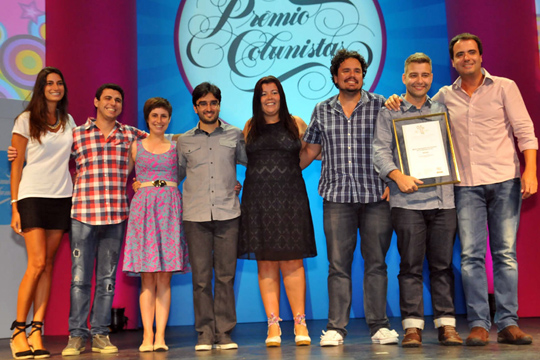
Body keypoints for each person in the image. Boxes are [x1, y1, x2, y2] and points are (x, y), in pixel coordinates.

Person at [386, 33, 537, 345]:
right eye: (459, 54)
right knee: (471, 257)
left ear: (481, 56)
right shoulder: (443, 96)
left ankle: (508, 322)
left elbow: (525, 131)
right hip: (465, 186)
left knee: (505, 254)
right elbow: (416, 113)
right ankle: (480, 323)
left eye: (471, 53)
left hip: (505, 180)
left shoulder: (505, 87)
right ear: (453, 61)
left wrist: (531, 170)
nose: (466, 58)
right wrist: (394, 99)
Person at [300, 49, 398, 346]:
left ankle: (379, 326)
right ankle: (335, 328)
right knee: (338, 265)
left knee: (376, 263)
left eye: (357, 70)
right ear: (335, 77)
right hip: (337, 198)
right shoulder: (322, 109)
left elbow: (400, 143)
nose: (352, 75)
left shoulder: (383, 105)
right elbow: (309, 152)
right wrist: (273, 173)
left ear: (363, 75)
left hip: (376, 196)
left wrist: (395, 180)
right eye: (346, 71)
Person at [373, 53, 462, 347]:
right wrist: (398, 176)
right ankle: (412, 327)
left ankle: (446, 325)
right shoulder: (390, 111)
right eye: (414, 75)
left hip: (443, 200)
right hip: (407, 202)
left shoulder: (443, 108)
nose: (419, 80)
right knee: (410, 266)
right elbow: (380, 152)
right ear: (404, 78)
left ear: (432, 78)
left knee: (442, 266)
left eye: (425, 75)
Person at [61, 84, 148, 355]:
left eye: (118, 100)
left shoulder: (130, 134)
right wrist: (16, 152)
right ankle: (76, 335)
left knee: (107, 279)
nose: (113, 103)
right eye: (108, 98)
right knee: (79, 279)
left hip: (116, 216)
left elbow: (162, 141)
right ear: (96, 101)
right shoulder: (76, 134)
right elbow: (51, 158)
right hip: (83, 216)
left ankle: (99, 334)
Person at [238, 76, 317, 347]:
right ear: (257, 99)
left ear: (281, 96)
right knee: (266, 261)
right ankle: (273, 325)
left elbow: (310, 153)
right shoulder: (250, 126)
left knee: (293, 260)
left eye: (274, 92)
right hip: (257, 200)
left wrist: (290, 171)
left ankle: (300, 322)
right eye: (263, 93)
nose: (269, 97)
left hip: (290, 198)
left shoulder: (296, 123)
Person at [10, 67, 75, 360]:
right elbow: (16, 161)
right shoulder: (25, 119)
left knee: (48, 264)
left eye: (59, 83)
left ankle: (37, 329)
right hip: (32, 196)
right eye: (49, 83)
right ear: (40, 88)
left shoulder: (68, 120)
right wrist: (14, 204)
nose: (55, 87)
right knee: (36, 264)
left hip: (62, 197)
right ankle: (18, 331)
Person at [177, 82, 247, 351]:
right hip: (195, 217)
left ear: (219, 105)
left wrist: (238, 183)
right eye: (203, 103)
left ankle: (225, 333)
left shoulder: (235, 135)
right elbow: (176, 176)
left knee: (226, 276)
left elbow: (252, 163)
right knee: (201, 279)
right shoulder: (184, 141)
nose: (209, 108)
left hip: (228, 214)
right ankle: (205, 333)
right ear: (195, 107)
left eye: (213, 103)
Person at [123, 97, 190, 352]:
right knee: (147, 277)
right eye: (154, 116)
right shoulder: (135, 147)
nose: (159, 120)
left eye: (163, 116)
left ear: (169, 118)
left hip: (170, 211)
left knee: (165, 278)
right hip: (144, 212)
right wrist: (135, 184)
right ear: (147, 119)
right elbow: (124, 175)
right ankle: (146, 336)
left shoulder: (177, 144)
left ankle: (160, 336)